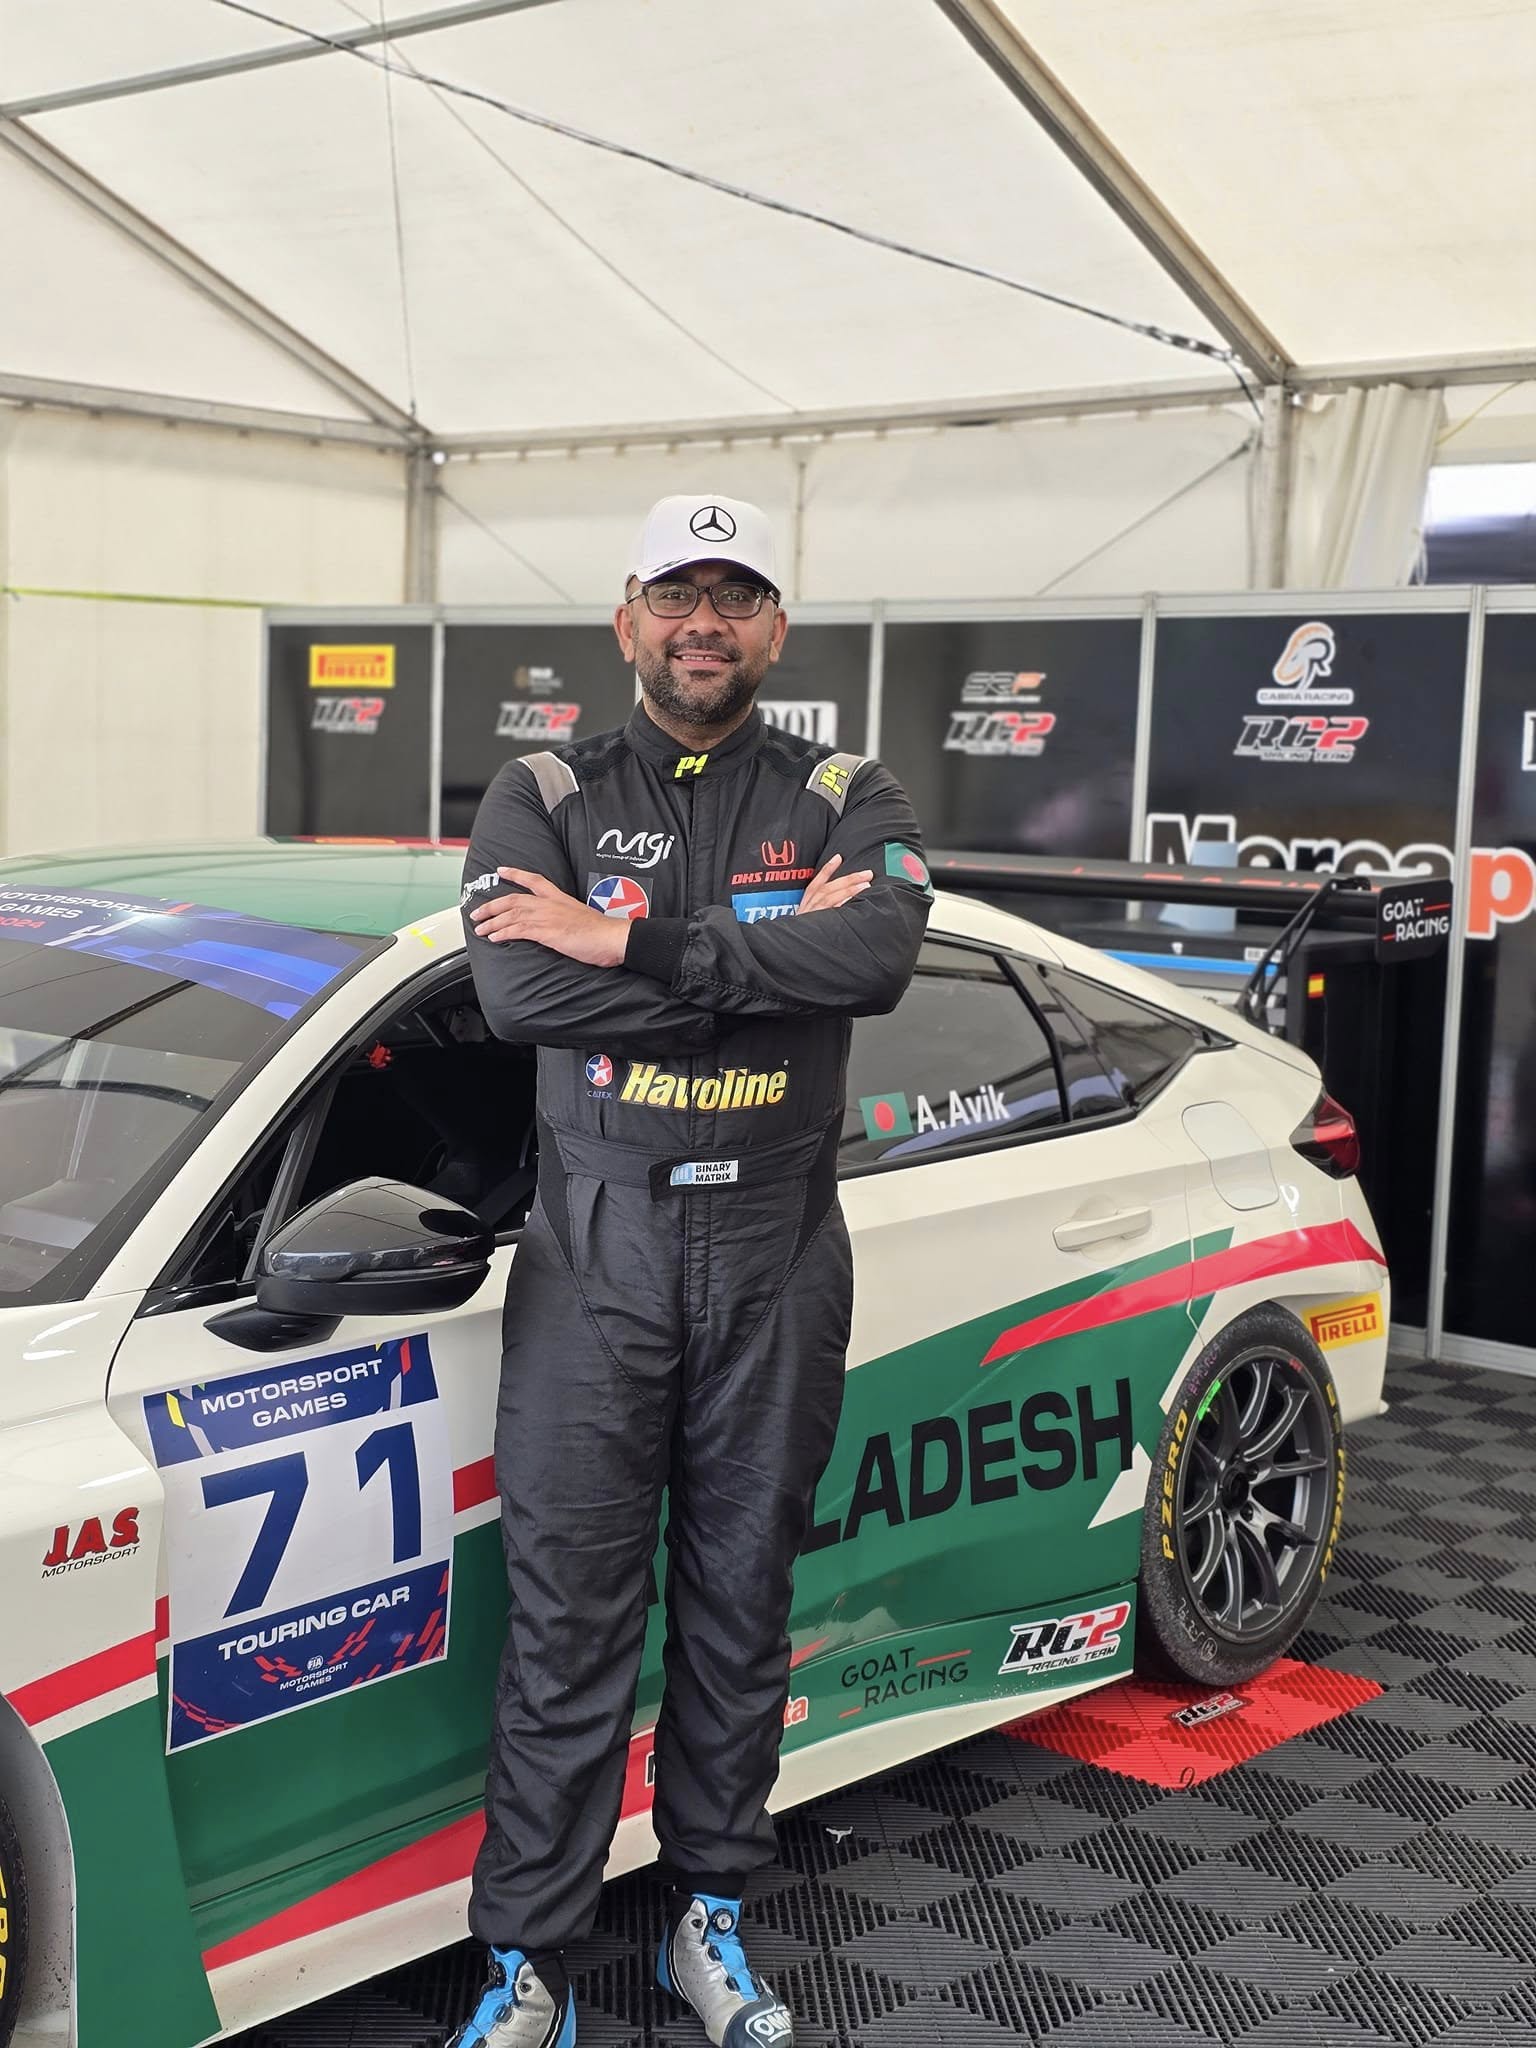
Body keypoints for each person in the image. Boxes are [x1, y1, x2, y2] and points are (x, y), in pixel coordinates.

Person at [451, 493, 931, 2048]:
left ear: (775, 627)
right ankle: (526, 1962)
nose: (703, 624)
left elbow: (877, 960)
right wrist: (761, 963)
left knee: (739, 1606)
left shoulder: (849, 790)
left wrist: (633, 945)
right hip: (599, 1251)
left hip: (776, 1250)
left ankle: (707, 1917)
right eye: (677, 594)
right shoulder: (541, 790)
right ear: (627, 619)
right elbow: (520, 997)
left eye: (734, 596)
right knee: (568, 1620)